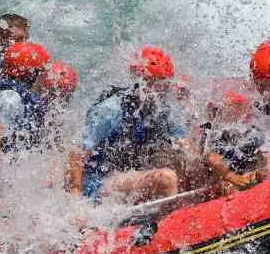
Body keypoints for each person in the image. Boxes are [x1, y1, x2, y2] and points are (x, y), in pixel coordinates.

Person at [64, 46, 191, 204]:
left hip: (136, 175)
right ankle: (168, 222)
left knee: (192, 167)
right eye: (155, 83)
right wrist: (75, 200)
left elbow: (184, 147)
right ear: (139, 81)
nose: (161, 89)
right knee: (167, 178)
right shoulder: (112, 109)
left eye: (164, 83)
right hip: (101, 182)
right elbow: (77, 153)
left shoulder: (167, 109)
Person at [0, 41, 51, 152]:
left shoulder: (16, 96)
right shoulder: (10, 100)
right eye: (43, 73)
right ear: (31, 75)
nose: (46, 78)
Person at [200, 90, 269, 193]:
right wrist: (231, 176)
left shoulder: (248, 130)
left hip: (246, 170)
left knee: (262, 164)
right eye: (215, 110)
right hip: (223, 175)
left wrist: (260, 169)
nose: (215, 113)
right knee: (225, 185)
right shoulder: (212, 132)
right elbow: (211, 157)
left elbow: (261, 152)